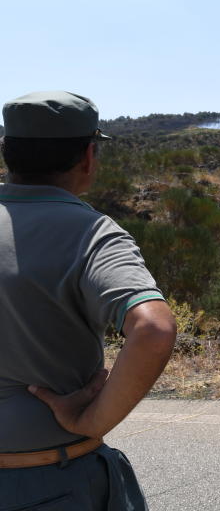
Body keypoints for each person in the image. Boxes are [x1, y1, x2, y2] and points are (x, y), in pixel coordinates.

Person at [0, 90, 177, 509]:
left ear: (7, 152)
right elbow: (153, 329)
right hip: (50, 482)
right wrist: (92, 419)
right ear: (88, 158)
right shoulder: (92, 234)